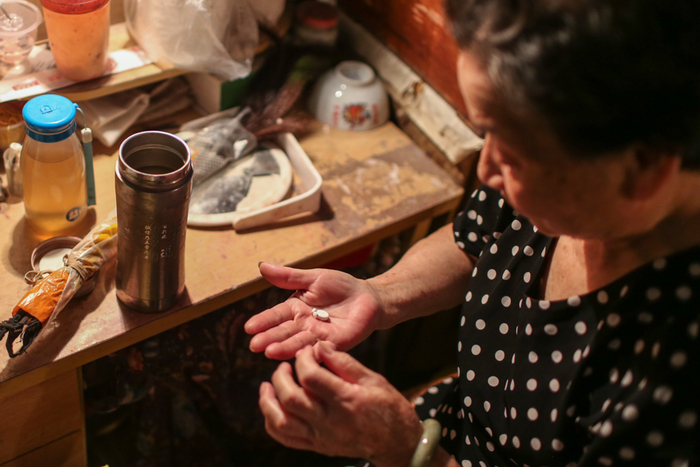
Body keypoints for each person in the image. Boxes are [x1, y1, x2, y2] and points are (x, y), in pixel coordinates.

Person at [244, 0, 700, 465]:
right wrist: (380, 294)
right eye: (486, 134)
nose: (486, 170)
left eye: (514, 156)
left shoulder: (675, 380)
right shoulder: (557, 187)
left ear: (643, 169)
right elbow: (474, 240)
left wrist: (407, 449)